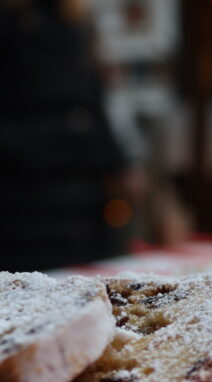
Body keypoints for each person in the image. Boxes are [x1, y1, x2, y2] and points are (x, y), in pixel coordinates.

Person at [0, 0, 132, 271]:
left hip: (85, 217)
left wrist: (120, 164)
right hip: (23, 215)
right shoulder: (9, 26)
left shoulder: (75, 27)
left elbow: (94, 107)